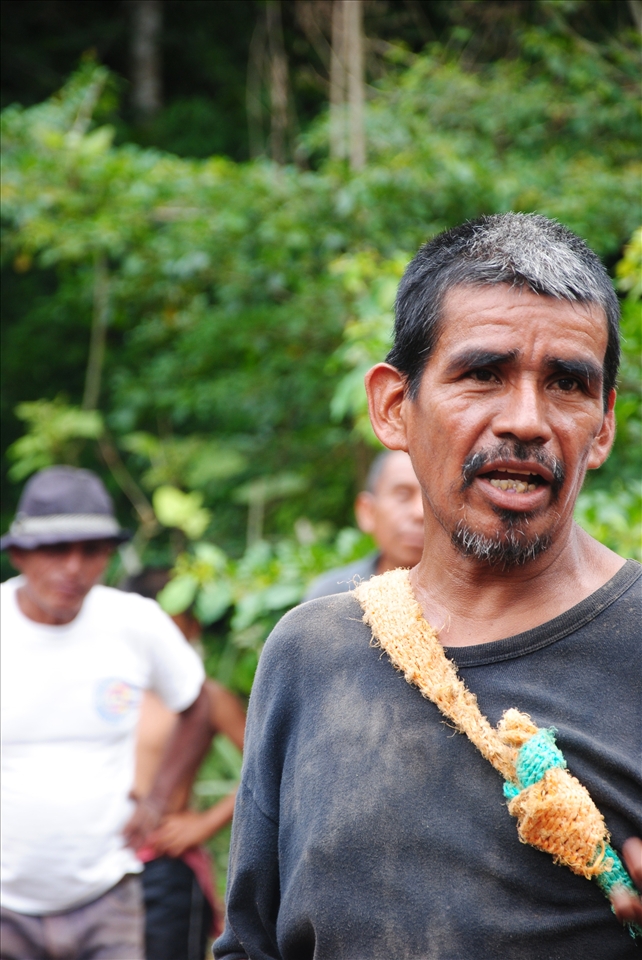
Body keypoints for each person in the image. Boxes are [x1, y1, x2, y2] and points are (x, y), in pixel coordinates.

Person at [214, 213, 642, 960]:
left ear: (602, 426)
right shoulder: (311, 654)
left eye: (568, 384)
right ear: (392, 406)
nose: (526, 421)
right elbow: (251, 943)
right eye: (483, 373)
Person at [0, 466, 213, 960]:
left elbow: (197, 704)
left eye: (92, 550)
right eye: (57, 549)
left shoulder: (133, 622)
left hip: (108, 895)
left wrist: (158, 801)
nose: (74, 567)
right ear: (20, 554)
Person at [123, 568, 246, 960]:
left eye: (173, 627)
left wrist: (203, 824)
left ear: (192, 627)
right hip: (92, 858)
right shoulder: (106, 691)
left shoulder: (205, 697)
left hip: (163, 863)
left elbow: (267, 766)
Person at [304, 450, 423, 600]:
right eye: (403, 494)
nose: (420, 513)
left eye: (430, 499)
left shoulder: (460, 604)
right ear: (368, 512)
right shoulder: (329, 596)